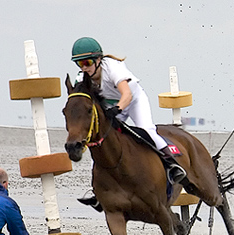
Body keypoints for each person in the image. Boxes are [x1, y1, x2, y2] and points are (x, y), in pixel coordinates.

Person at [71, 37, 186, 184]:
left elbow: (127, 94)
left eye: (87, 63)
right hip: (112, 106)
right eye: (79, 64)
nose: (84, 68)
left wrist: (117, 109)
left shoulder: (113, 68)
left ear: (98, 59)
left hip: (133, 101)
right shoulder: (81, 79)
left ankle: (172, 165)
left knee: (146, 130)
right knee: (105, 140)